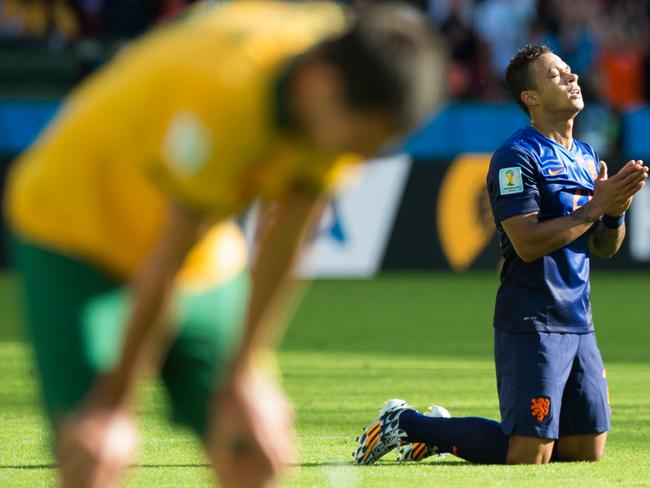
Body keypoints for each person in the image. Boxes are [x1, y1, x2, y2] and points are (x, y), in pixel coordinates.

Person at [3, 2, 445, 486]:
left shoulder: (346, 84)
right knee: (92, 450)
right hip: (72, 229)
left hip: (193, 242)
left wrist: (245, 376)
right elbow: (165, 258)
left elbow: (287, 236)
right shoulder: (228, 90)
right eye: (361, 138)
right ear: (321, 83)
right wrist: (113, 404)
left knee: (253, 444)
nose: (360, 157)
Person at [353, 44, 648, 466]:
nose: (572, 78)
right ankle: (408, 423)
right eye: (555, 75)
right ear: (530, 97)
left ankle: (444, 431)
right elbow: (527, 243)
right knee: (528, 456)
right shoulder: (516, 156)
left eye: (569, 71)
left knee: (586, 452)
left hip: (579, 320)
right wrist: (595, 208)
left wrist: (614, 215)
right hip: (532, 318)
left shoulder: (586, 156)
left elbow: (602, 247)